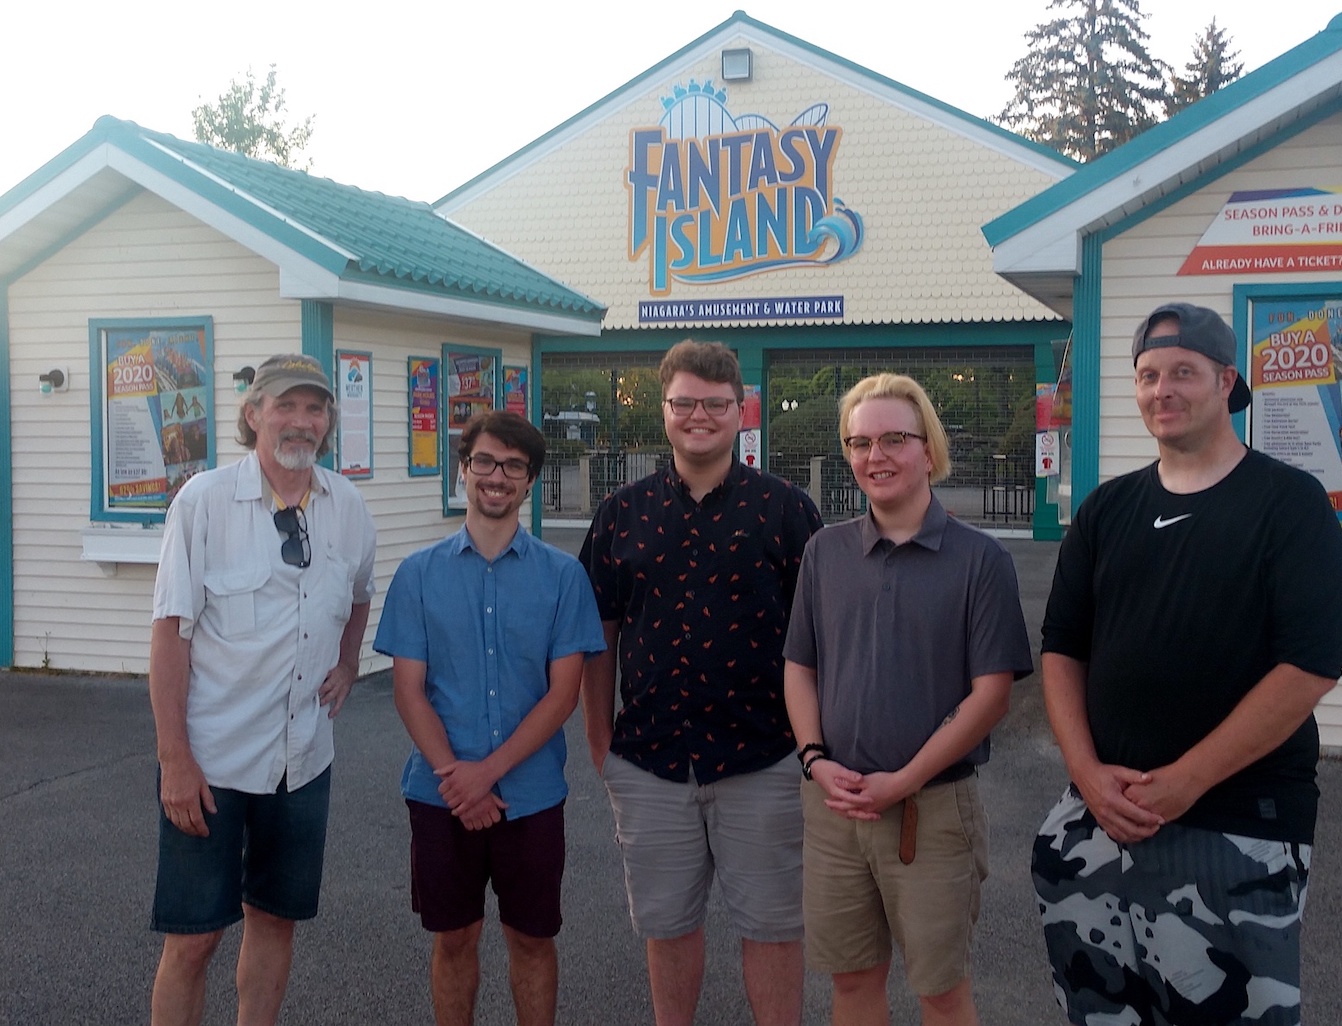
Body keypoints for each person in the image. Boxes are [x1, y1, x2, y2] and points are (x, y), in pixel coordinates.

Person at [1033, 302, 1342, 1026]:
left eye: (1183, 372)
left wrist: (1186, 781)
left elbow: (1308, 666)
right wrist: (1086, 774)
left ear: (1226, 382)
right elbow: (1062, 647)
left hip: (1237, 830)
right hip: (1097, 823)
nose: (1162, 390)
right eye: (1148, 375)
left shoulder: (1290, 504)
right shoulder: (1106, 511)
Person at [579, 340, 823, 1026]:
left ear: (741, 411)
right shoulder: (621, 514)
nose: (699, 416)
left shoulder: (786, 510)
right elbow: (599, 634)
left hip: (765, 760)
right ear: (664, 409)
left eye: (715, 404)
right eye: (684, 402)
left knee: (773, 928)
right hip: (650, 761)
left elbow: (819, 637)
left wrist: (813, 748)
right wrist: (600, 743)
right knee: (668, 927)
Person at [783, 373, 1033, 1026]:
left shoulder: (980, 561)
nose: (876, 456)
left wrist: (904, 780)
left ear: (928, 448)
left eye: (894, 438)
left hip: (933, 814)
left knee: (941, 993)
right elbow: (800, 667)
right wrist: (813, 758)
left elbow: (991, 696)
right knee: (851, 983)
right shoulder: (824, 552)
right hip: (835, 809)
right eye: (860, 442)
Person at [148, 353, 377, 1026]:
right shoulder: (205, 501)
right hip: (212, 764)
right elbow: (170, 635)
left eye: (315, 408)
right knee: (194, 939)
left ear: (328, 421)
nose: (301, 421)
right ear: (253, 416)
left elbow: (359, 594)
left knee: (274, 923)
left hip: (302, 762)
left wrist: (348, 662)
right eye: (285, 406)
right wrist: (174, 759)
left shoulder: (346, 505)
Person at [374, 411, 605, 1026]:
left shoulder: (564, 578)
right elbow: (409, 692)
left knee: (531, 940)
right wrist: (460, 779)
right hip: (440, 795)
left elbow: (563, 696)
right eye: (484, 461)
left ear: (530, 480)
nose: (496, 476)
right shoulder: (418, 574)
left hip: (531, 797)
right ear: (463, 468)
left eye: (513, 466)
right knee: (454, 938)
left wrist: (487, 775)